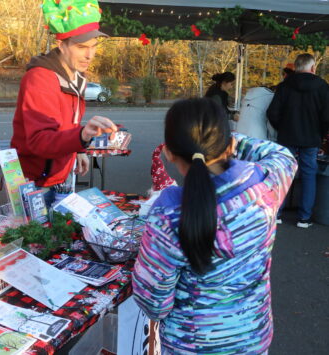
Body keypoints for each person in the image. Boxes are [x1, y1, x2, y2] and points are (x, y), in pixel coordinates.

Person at [132, 98, 297, 354]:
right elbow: (281, 154)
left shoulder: (168, 214)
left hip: (189, 344)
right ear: (230, 144)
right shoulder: (266, 183)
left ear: (169, 153)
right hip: (252, 339)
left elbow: (154, 303)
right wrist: (221, 138)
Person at [11, 0, 117, 205]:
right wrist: (82, 135)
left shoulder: (77, 76)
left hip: (62, 173)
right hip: (35, 181)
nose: (89, 55)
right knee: (38, 237)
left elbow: (68, 124)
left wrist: (78, 150)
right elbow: (39, 141)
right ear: (61, 44)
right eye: (81, 47)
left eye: (93, 46)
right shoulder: (40, 79)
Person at [267, 53, 329, 227]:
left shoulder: (284, 86)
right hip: (311, 139)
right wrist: (321, 134)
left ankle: (277, 214)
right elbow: (327, 117)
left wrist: (282, 128)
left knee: (283, 175)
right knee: (309, 175)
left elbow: (272, 113)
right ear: (313, 68)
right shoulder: (323, 87)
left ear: (296, 67)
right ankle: (304, 218)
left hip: (287, 137)